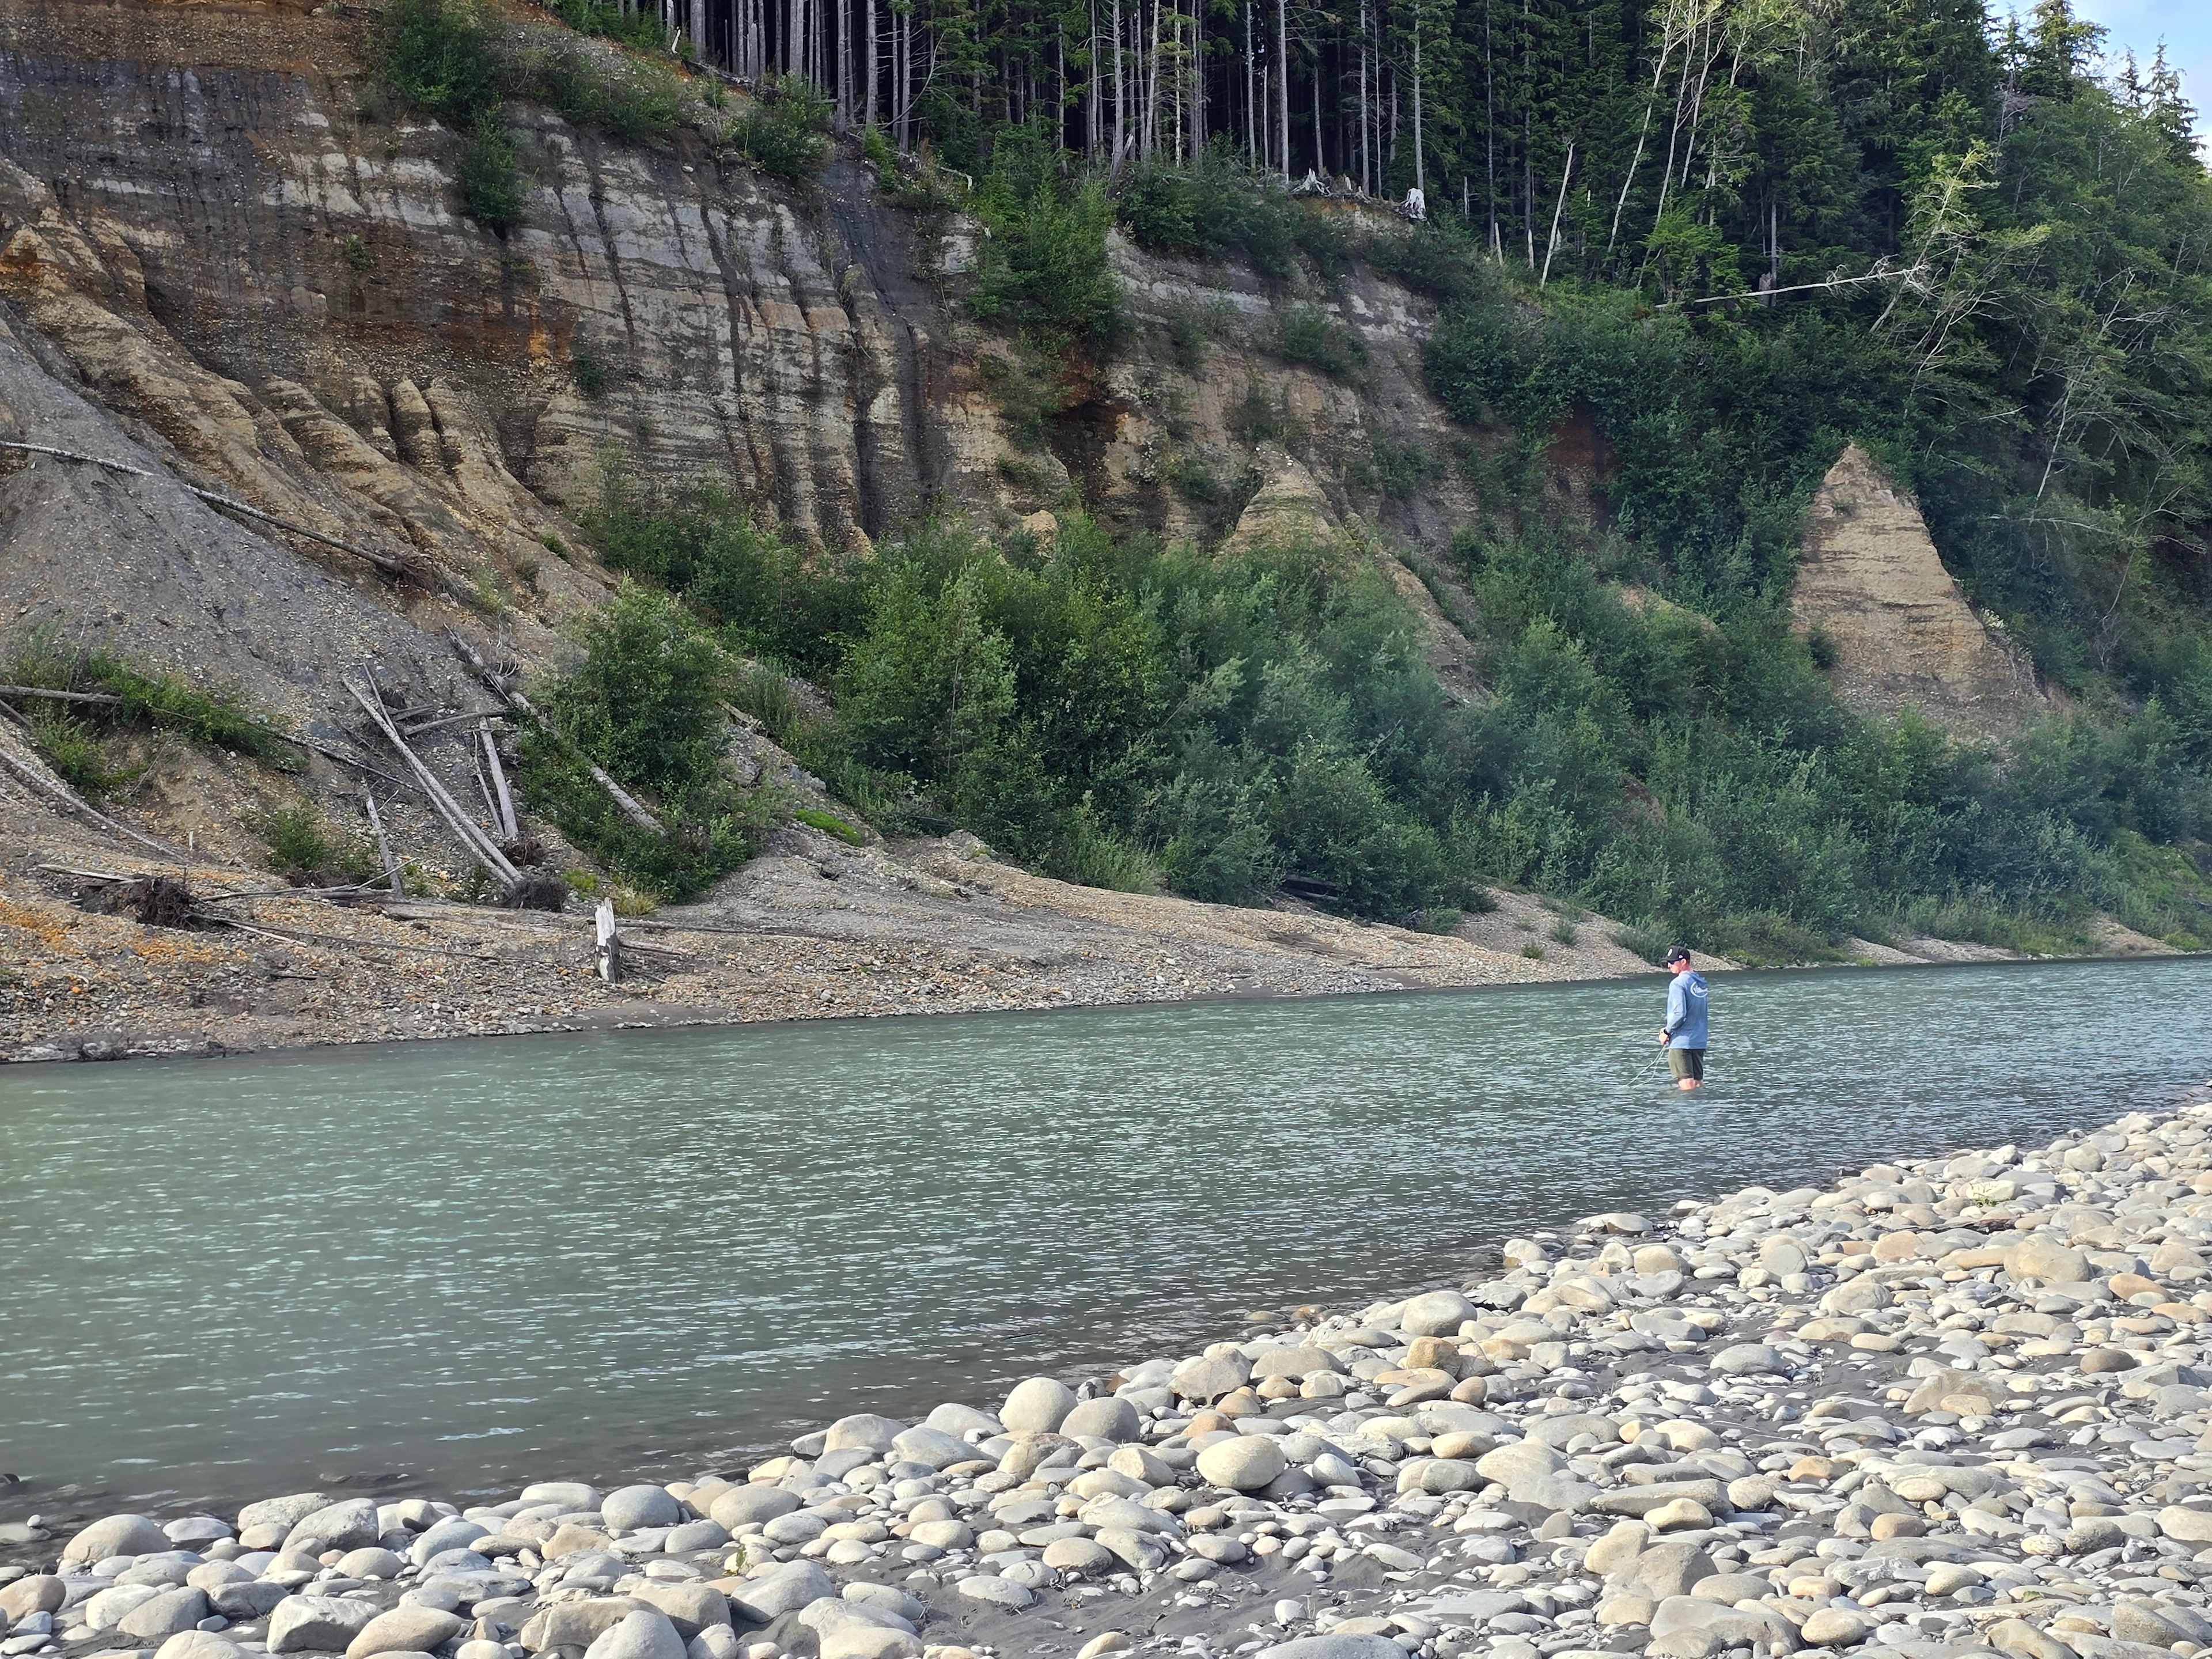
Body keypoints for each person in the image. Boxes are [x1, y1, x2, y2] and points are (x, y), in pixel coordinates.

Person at [1657, 945, 1709, 1090]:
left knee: (1687, 1086)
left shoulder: (1678, 983)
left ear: (1684, 962)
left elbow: (1680, 1014)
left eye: (1672, 963)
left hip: (1682, 1042)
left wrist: (1666, 1032)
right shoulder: (1701, 983)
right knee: (1697, 1084)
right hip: (1699, 1041)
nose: (1669, 966)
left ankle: (1687, 1114)